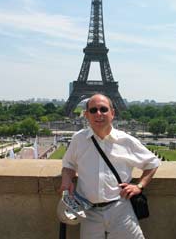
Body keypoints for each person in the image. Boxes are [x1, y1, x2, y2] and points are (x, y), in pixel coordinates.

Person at [60, 93, 160, 239]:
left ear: (112, 113)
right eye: (93, 110)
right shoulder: (78, 139)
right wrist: (66, 179)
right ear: (86, 115)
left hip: (120, 209)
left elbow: (153, 163)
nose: (98, 114)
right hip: (89, 212)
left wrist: (139, 186)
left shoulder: (126, 141)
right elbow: (68, 165)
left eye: (103, 109)